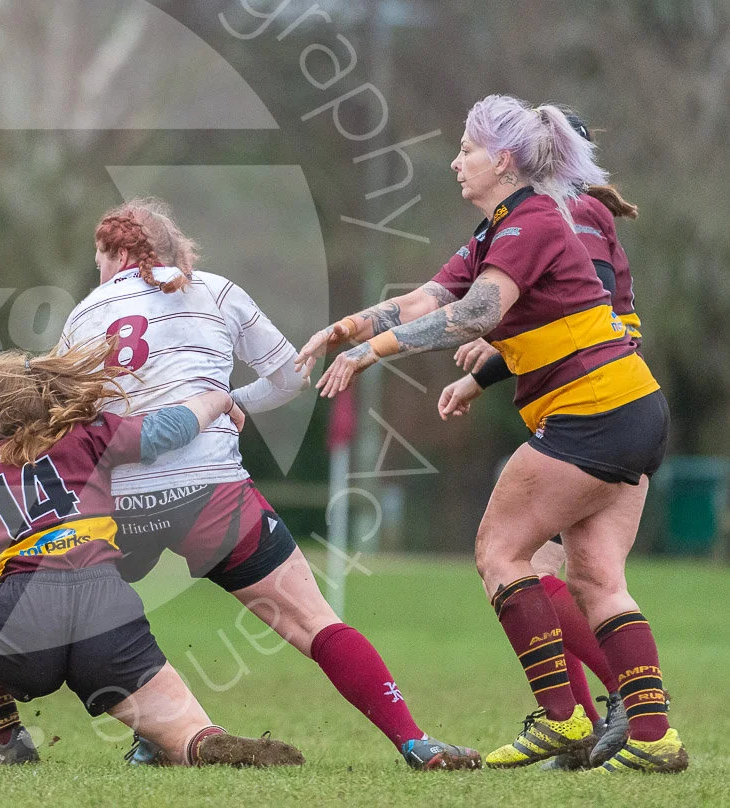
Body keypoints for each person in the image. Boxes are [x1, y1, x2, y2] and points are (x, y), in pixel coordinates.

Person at [297, 95, 686, 775]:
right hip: (630, 407)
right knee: (597, 579)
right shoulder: (502, 226)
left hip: (591, 409)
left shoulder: (533, 219)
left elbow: (480, 312)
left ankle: (563, 718)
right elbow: (427, 299)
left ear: (502, 160)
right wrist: (349, 329)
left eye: (466, 149)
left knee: (501, 553)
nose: (456, 162)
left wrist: (373, 353)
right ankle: (653, 735)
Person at [57, 199, 479, 771]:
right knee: (315, 622)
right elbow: (287, 377)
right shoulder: (218, 291)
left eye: (100, 259)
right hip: (214, 491)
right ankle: (414, 742)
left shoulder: (86, 313)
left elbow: (64, 415)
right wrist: (232, 400)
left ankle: (144, 733)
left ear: (123, 252)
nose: (99, 274)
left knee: (87, 616)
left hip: (123, 503)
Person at [0, 338, 305, 768]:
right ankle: (200, 741)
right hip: (107, 607)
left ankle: (8, 741)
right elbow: (169, 428)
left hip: (22, 622)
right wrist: (218, 398)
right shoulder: (86, 433)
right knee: (187, 734)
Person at [438, 111, 638, 769]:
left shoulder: (565, 215)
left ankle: (609, 713)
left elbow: (585, 318)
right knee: (573, 576)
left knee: (535, 567)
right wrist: (486, 374)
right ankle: (595, 721)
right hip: (606, 410)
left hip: (597, 414)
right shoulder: (563, 213)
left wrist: (488, 363)